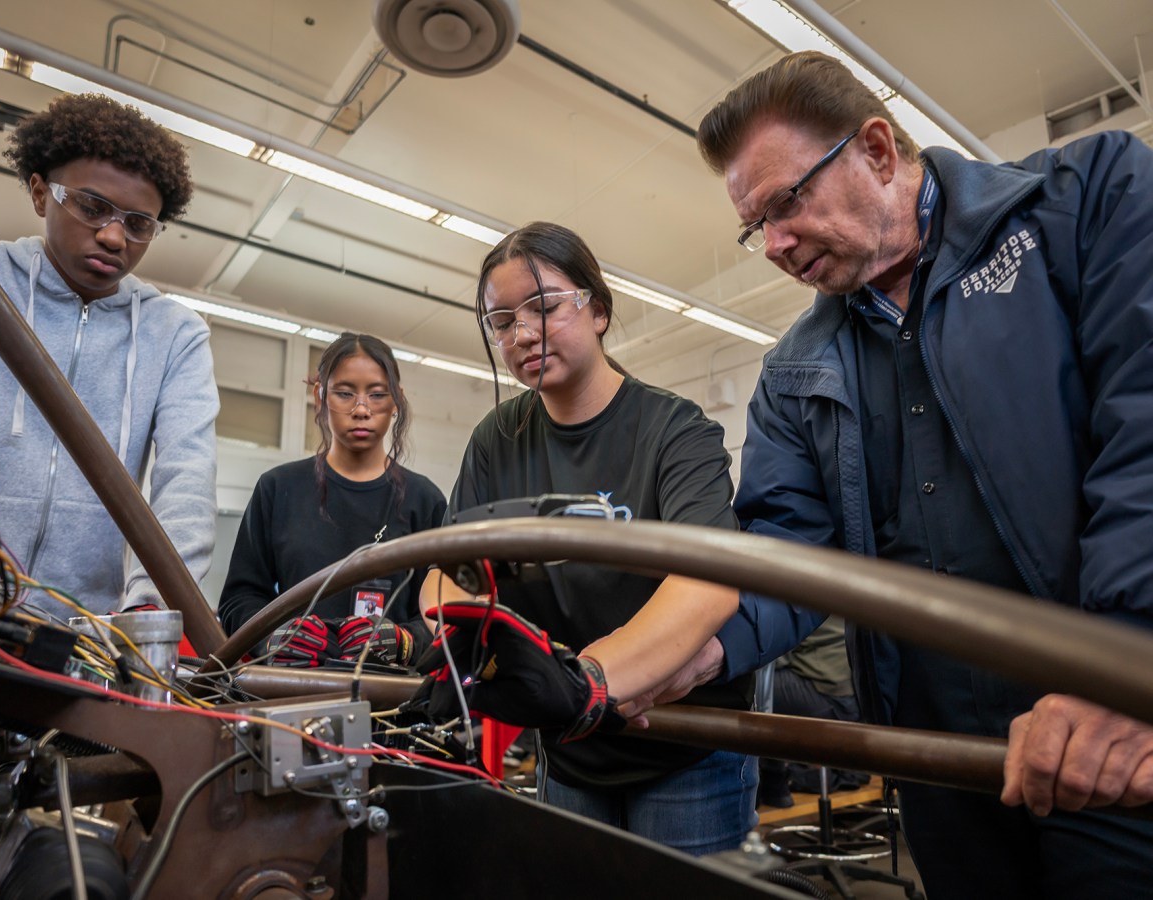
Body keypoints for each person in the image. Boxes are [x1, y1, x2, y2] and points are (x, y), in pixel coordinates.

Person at [656, 50, 1153, 897]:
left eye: (785, 202)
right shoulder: (794, 373)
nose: (773, 244)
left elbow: (1144, 432)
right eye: (755, 226)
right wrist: (698, 655)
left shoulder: (1083, 203)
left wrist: (1130, 664)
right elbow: (784, 554)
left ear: (878, 152)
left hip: (1113, 741)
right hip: (943, 765)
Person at [417, 222, 753, 856]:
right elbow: (446, 572)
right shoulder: (498, 438)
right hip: (569, 748)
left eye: (543, 308)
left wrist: (583, 681)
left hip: (681, 748)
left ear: (597, 310)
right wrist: (460, 643)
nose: (521, 335)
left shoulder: (674, 430)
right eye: (501, 321)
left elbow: (707, 585)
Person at [0, 93, 218, 618]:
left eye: (139, 224)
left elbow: (186, 478)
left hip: (85, 631)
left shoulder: (174, 333)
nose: (115, 235)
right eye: (92, 207)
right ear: (38, 192)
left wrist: (152, 606)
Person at [219, 333, 446, 668]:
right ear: (320, 395)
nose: (361, 410)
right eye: (344, 393)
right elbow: (239, 600)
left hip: (392, 701)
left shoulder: (425, 501)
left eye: (378, 394)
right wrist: (272, 636)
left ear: (397, 401)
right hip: (290, 691)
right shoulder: (278, 488)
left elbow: (442, 616)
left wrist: (406, 641)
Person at [758, 615, 864, 808]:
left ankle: (773, 781)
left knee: (754, 683)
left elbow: (773, 651)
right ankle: (778, 779)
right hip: (855, 699)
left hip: (829, 697)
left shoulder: (798, 590)